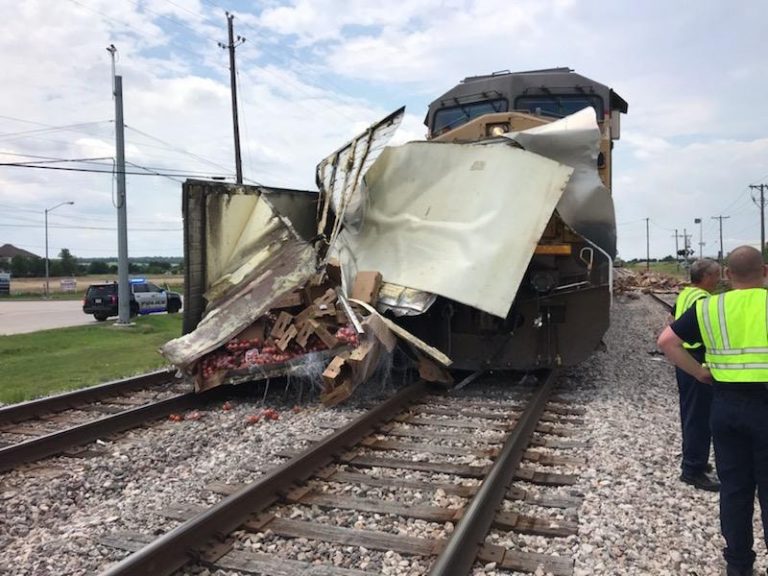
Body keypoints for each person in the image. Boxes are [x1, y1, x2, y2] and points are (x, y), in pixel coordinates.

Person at [658, 246, 768, 576]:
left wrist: (699, 372)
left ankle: (738, 566)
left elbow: (666, 341)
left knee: (734, 489)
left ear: (728, 276)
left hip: (726, 407)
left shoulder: (711, 306)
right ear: (764, 272)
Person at [673, 258, 721, 491]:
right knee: (699, 418)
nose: (719, 279)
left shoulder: (686, 293)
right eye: (716, 275)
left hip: (684, 360)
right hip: (696, 363)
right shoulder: (702, 300)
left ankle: (695, 460)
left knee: (691, 414)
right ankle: (692, 469)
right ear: (707, 277)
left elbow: (672, 321)